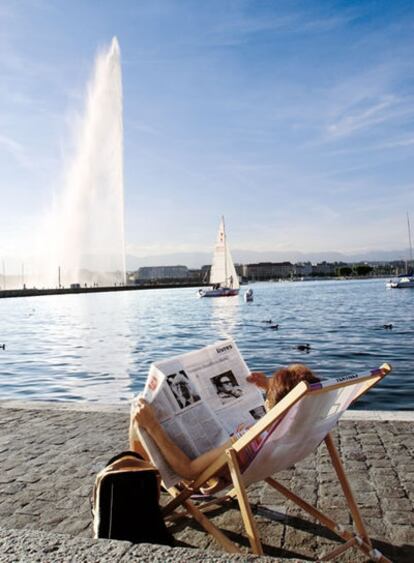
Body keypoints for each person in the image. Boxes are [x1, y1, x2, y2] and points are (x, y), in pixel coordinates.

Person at [130, 364, 319, 481]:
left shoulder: (247, 438)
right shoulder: (301, 426)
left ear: (274, 405)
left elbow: (188, 471)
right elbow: (290, 405)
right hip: (239, 467)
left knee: (138, 416)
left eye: (269, 396)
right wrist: (270, 386)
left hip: (193, 463)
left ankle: (138, 479)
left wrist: (153, 426)